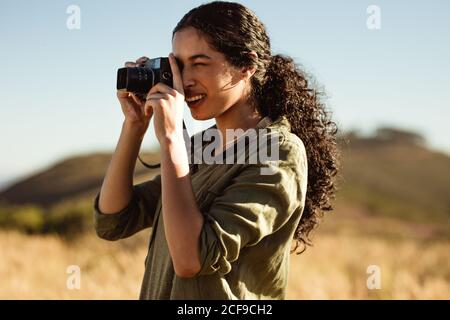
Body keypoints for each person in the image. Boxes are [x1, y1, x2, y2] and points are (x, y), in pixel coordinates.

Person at [93, 1, 340, 300]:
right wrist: (134, 126)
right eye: (180, 66)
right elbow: (114, 220)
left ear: (246, 65)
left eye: (199, 63)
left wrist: (171, 138)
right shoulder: (201, 146)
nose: (185, 80)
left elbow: (192, 258)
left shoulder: (278, 152)